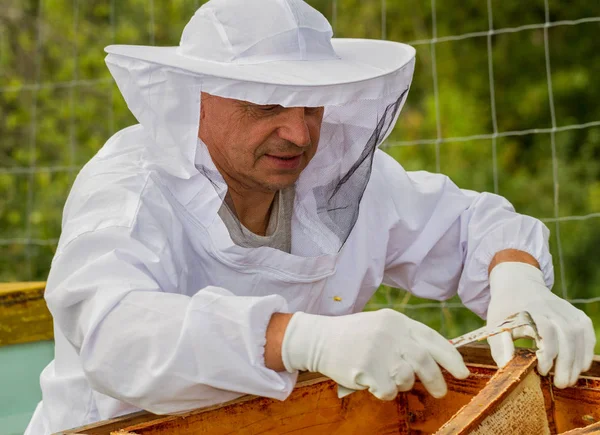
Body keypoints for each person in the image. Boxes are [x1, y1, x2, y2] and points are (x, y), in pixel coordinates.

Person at [26, 0, 595, 433]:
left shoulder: (335, 174)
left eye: (311, 105)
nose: (298, 133)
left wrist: (516, 278)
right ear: (197, 96)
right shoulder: (130, 190)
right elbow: (114, 332)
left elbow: (469, 223)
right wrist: (303, 339)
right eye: (268, 105)